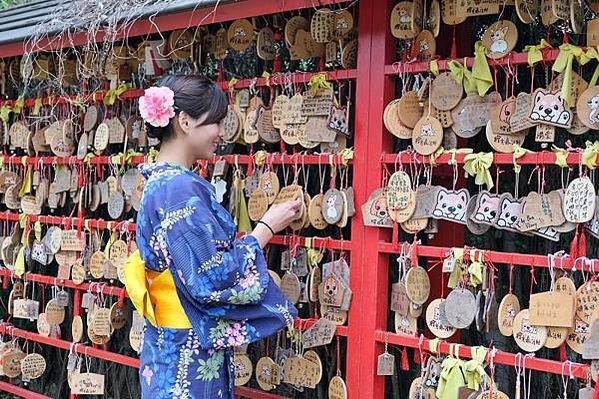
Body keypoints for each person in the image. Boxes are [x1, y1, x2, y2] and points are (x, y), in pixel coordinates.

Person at [124, 74, 301, 399]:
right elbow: (212, 275)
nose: (221, 132)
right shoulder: (178, 189)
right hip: (186, 351)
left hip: (169, 341)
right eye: (215, 122)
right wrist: (267, 227)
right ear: (185, 122)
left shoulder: (160, 181)